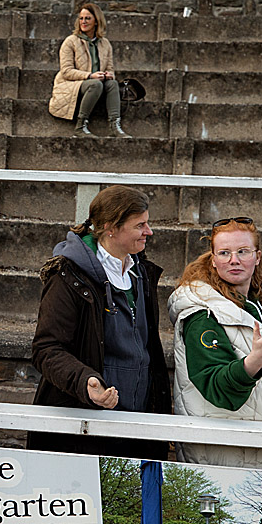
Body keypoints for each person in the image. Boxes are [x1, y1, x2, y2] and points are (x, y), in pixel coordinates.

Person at [28, 185, 169, 460]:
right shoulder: (67, 276)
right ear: (110, 228)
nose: (148, 231)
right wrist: (87, 381)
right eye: (140, 225)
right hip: (84, 429)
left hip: (136, 427)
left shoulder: (142, 272)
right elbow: (46, 349)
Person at [168, 217, 262, 472]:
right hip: (226, 455)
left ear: (257, 257)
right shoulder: (202, 314)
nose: (234, 260)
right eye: (224, 253)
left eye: (243, 252)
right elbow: (217, 387)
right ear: (214, 259)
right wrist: (255, 360)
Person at [48, 1, 130, 138]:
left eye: (87, 18)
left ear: (96, 21)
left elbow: (110, 69)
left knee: (113, 84)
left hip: (96, 84)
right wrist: (90, 75)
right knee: (95, 84)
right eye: (81, 18)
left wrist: (108, 75)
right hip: (72, 85)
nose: (83, 21)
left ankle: (115, 126)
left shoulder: (105, 44)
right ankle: (80, 126)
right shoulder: (70, 41)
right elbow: (66, 71)